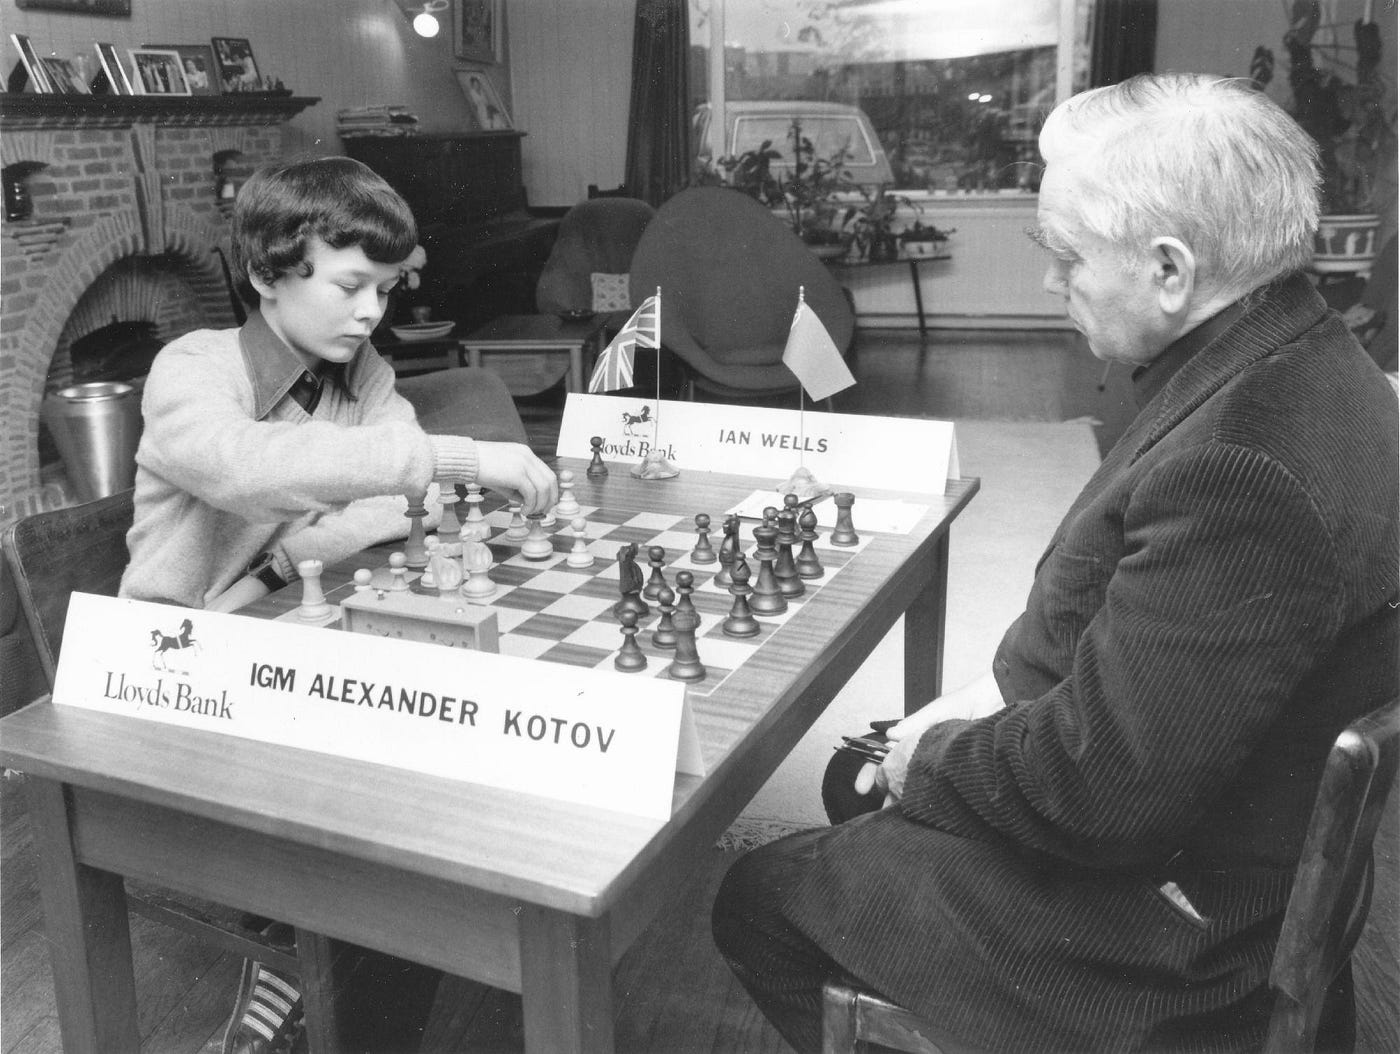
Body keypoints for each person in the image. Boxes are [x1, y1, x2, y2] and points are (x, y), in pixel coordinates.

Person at [712, 73, 1399, 1054]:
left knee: (760, 894)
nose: (1049, 282)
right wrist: (982, 707)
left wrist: (929, 756)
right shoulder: (1310, 362)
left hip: (1181, 947)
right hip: (1224, 854)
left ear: (1169, 270)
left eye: (1067, 257)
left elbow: (1103, 791)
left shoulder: (1242, 467)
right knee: (851, 782)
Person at [119, 155, 557, 1054]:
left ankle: (343, 980)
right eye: (351, 285)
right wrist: (453, 457)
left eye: (386, 291)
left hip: (274, 634)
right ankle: (310, 974)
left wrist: (270, 570)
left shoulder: (363, 376)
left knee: (449, 756)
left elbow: (390, 503)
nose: (370, 313)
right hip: (170, 674)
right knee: (398, 798)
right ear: (267, 274)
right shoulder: (192, 367)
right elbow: (246, 468)